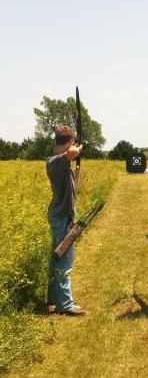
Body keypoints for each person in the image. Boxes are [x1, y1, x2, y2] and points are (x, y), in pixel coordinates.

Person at [46, 125, 86, 316]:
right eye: (72, 142)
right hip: (61, 217)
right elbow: (71, 153)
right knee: (64, 259)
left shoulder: (61, 163)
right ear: (69, 142)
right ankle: (65, 304)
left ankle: (55, 297)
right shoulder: (55, 161)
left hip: (62, 216)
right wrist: (77, 149)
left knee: (56, 257)